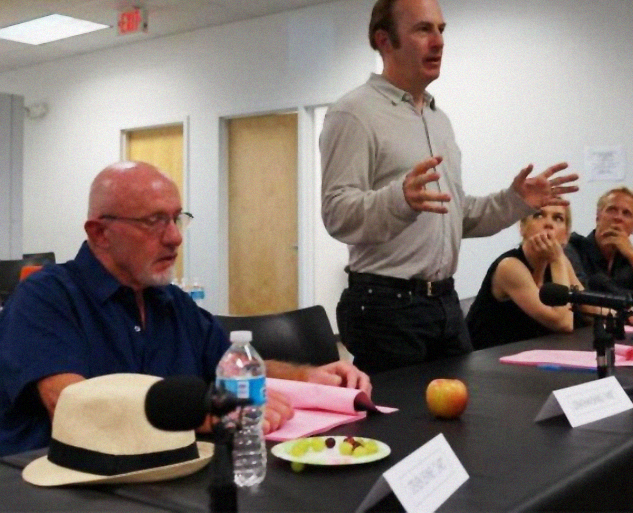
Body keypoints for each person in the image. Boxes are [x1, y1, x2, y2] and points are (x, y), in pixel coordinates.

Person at [0, 161, 370, 457]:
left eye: (177, 218)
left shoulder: (171, 302)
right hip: (59, 486)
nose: (175, 237)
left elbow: (232, 363)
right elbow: (73, 407)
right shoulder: (45, 298)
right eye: (153, 221)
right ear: (100, 233)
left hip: (165, 477)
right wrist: (206, 413)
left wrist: (310, 378)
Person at [319, 0, 578, 374]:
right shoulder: (354, 113)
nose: (438, 41)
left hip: (444, 302)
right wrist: (399, 199)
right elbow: (337, 213)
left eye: (442, 29)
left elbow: (458, 215)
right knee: (403, 429)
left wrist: (516, 200)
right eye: (423, 29)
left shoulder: (439, 120)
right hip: (386, 306)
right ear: (384, 41)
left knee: (460, 425)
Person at [466, 205, 603, 350]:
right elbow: (563, 323)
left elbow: (588, 309)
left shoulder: (561, 262)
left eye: (558, 218)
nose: (548, 224)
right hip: (487, 362)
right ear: (523, 227)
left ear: (566, 236)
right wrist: (557, 259)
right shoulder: (509, 267)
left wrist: (622, 314)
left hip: (532, 356)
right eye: (538, 215)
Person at [565, 187, 633, 312]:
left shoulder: (628, 256)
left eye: (626, 213)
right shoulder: (573, 247)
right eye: (612, 210)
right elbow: (586, 295)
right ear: (598, 217)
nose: (618, 218)